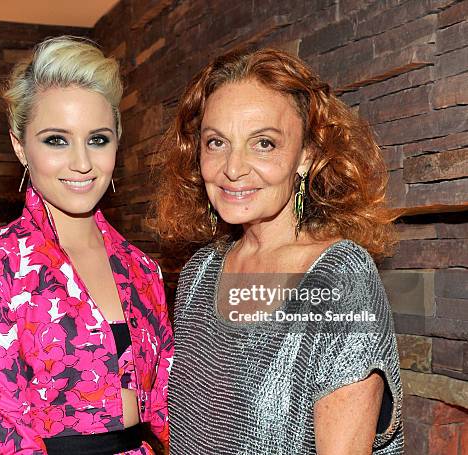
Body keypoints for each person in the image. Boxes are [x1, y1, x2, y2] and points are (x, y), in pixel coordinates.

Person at [151, 47, 403, 454]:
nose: (233, 168)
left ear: (306, 156)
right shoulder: (199, 275)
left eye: (263, 143)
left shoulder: (339, 279)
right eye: (216, 142)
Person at [0, 36, 172, 455]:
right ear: (20, 145)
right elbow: (5, 434)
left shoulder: (143, 269)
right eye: (56, 140)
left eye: (98, 139)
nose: (82, 162)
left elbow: (165, 410)